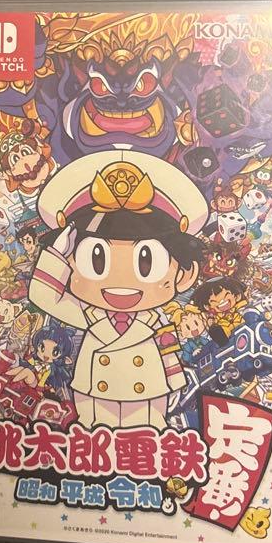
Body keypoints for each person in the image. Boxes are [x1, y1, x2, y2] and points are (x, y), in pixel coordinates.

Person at [28, 153, 207, 429]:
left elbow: (168, 353)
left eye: (147, 262)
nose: (121, 281)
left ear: (183, 274)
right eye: (95, 258)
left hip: (148, 394)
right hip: (94, 395)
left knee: (147, 439)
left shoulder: (156, 321)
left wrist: (173, 388)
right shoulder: (88, 314)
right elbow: (43, 296)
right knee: (93, 441)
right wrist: (56, 255)